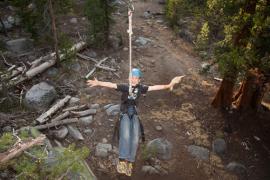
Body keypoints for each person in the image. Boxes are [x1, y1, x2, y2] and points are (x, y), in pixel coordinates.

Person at [87, 68, 185, 176]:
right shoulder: (125, 87)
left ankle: (130, 162)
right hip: (124, 114)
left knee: (134, 139)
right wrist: (98, 83)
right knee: (126, 136)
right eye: (132, 78)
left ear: (139, 80)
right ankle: (122, 161)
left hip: (134, 115)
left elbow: (154, 87)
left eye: (136, 78)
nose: (134, 80)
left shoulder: (141, 88)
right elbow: (112, 85)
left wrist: (169, 84)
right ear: (129, 78)